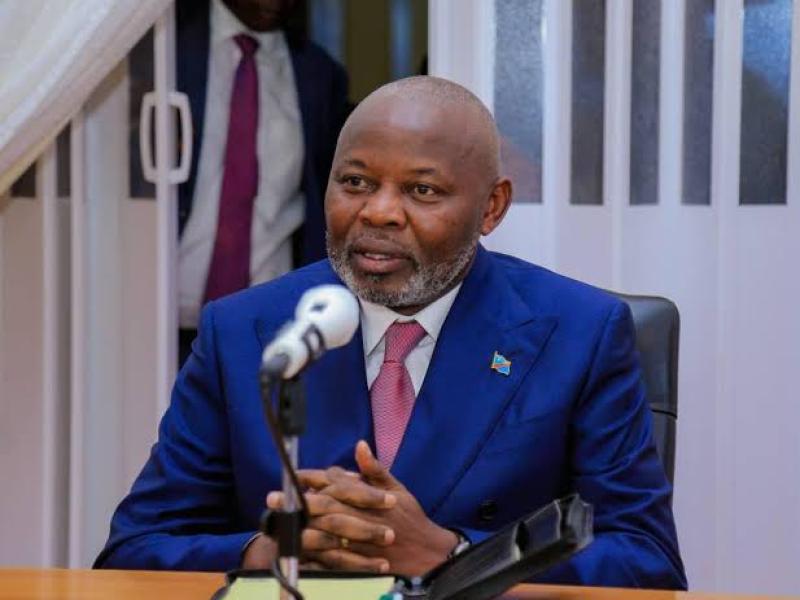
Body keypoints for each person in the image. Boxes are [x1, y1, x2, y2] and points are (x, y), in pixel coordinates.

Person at [96, 76, 687, 589]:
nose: (378, 212)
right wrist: (267, 552)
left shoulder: (580, 333)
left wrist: (453, 555)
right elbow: (136, 548)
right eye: (355, 183)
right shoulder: (245, 332)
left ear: (491, 207)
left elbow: (647, 561)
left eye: (421, 190)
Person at [175, 0, 349, 364]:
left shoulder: (318, 74)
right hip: (158, 310)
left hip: (268, 321)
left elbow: (324, 192)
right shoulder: (164, 47)